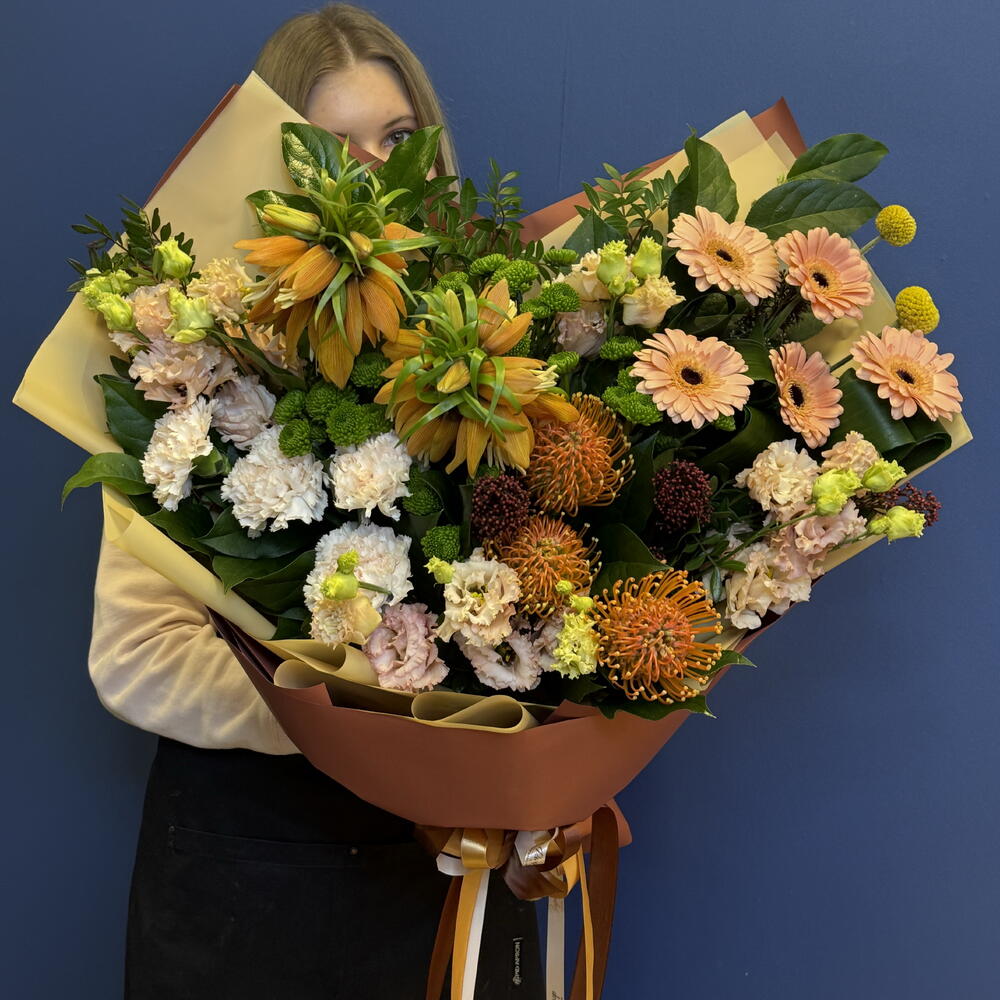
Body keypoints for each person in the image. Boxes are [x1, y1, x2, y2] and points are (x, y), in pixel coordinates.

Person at [88, 5, 543, 997]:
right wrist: (374, 711)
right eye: (333, 148)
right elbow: (139, 659)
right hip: (254, 885)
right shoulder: (197, 369)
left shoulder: (499, 350)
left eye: (397, 137)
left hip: (448, 874)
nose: (374, 173)